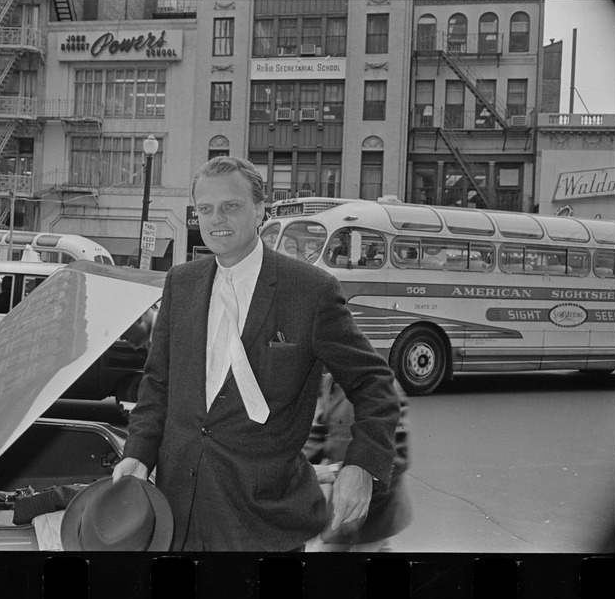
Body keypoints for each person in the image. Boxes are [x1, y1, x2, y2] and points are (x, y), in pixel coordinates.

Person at [113, 155, 403, 551]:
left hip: (263, 521)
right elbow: (157, 383)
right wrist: (138, 454)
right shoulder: (181, 283)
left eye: (230, 206)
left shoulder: (309, 291)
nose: (217, 219)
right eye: (206, 208)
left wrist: (363, 465)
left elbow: (374, 383)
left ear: (260, 210)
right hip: (176, 514)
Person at [303, 372, 411, 552]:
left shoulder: (384, 385)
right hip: (345, 505)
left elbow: (397, 458)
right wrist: (296, 467)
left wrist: (334, 471)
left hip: (378, 509)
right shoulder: (330, 381)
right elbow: (319, 433)